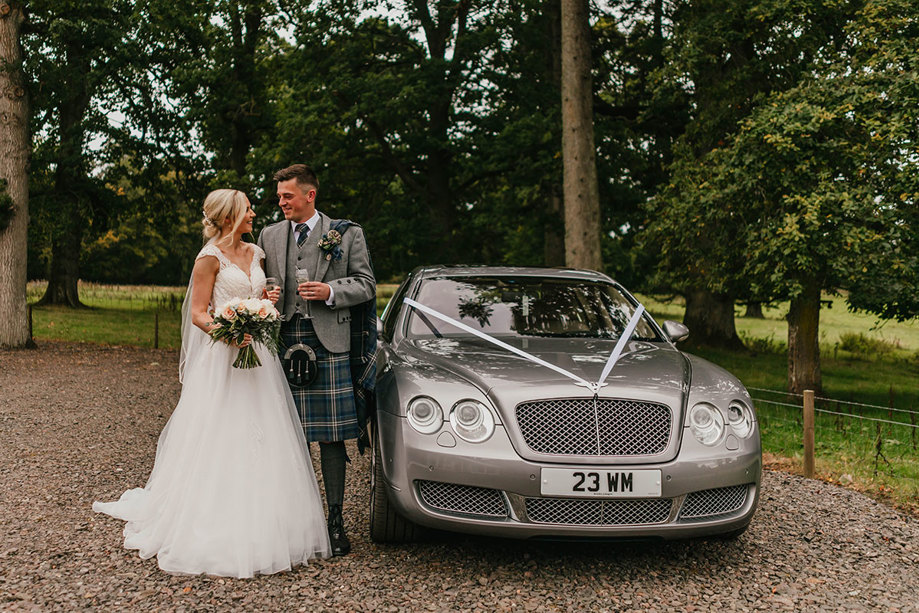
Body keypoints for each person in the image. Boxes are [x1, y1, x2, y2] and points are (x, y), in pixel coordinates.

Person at [93, 189, 331, 577]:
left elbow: (261, 296)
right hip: (224, 358)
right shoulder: (208, 259)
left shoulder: (256, 253)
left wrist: (267, 300)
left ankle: (275, 522)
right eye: (248, 209)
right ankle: (213, 521)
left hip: (260, 361)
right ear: (228, 217)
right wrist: (228, 330)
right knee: (221, 433)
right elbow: (199, 314)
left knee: (266, 433)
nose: (254, 213)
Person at [258, 164, 376, 556]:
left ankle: (335, 520)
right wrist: (267, 297)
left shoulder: (345, 233)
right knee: (283, 434)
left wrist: (329, 290)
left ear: (310, 195)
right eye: (279, 196)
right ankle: (293, 521)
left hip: (330, 344)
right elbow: (260, 284)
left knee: (330, 437)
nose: (281, 202)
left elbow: (366, 284)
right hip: (283, 342)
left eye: (287, 196)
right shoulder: (269, 235)